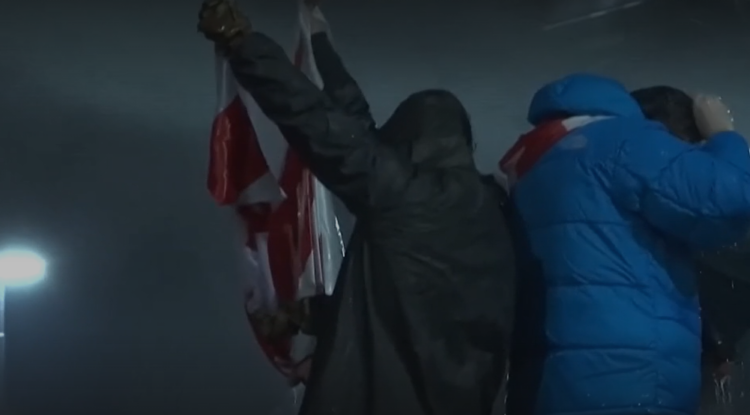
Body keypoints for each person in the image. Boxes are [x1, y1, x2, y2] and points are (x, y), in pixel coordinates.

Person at [197, 2, 516, 415]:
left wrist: (244, 45)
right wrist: (320, 47)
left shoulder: (402, 195)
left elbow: (320, 124)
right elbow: (429, 313)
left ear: (407, 140)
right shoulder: (496, 211)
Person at [500, 73, 750, 415]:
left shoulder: (541, 163)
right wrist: (723, 135)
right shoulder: (623, 142)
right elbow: (730, 200)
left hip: (549, 382)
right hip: (628, 377)